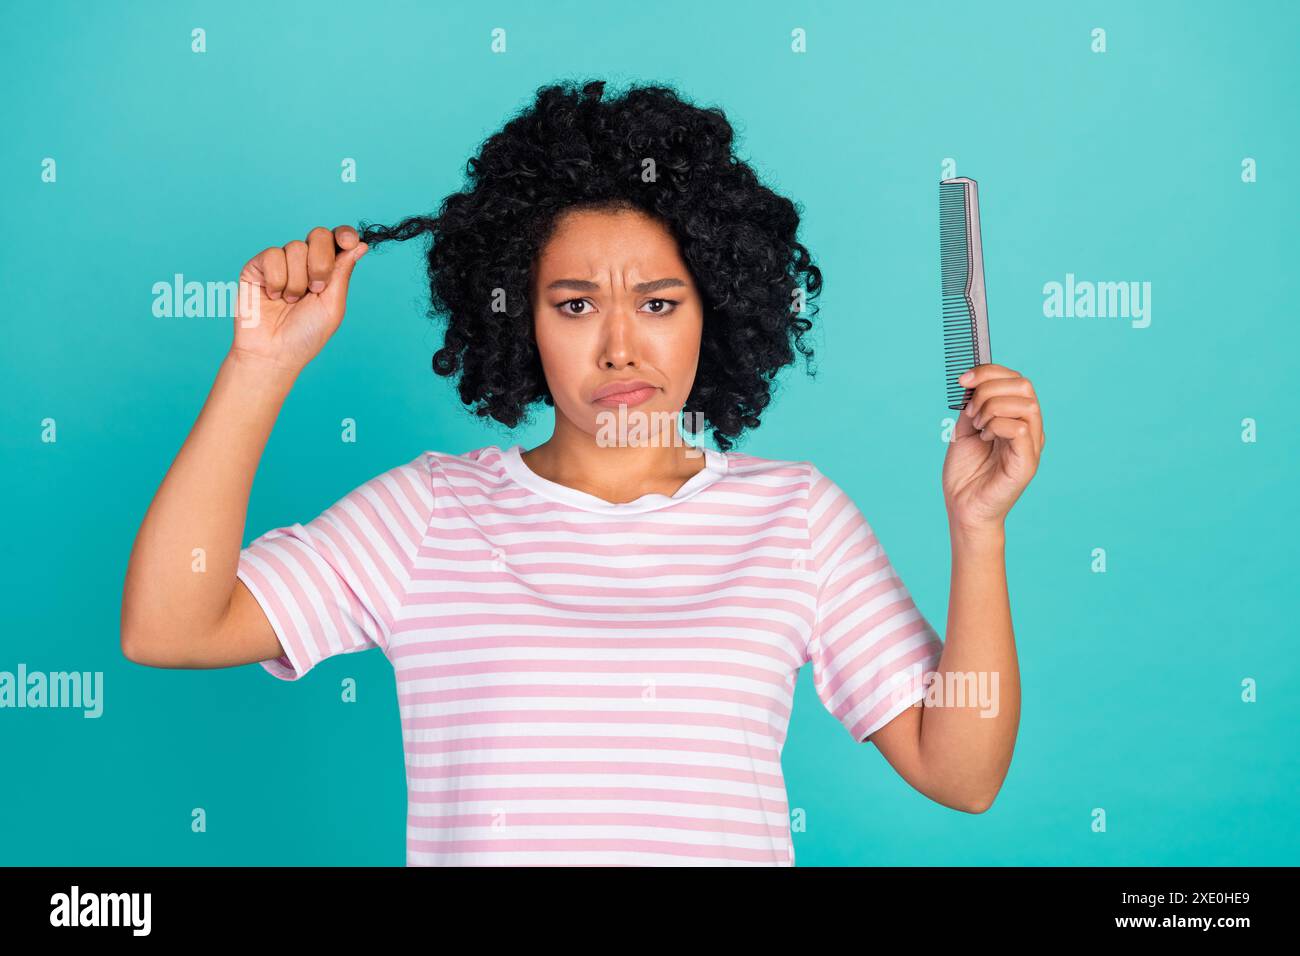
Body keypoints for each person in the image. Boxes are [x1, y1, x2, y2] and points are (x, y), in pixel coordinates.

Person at [120, 79, 1043, 866]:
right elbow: (168, 623)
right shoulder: (429, 513)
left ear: (712, 310)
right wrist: (261, 365)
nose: (618, 347)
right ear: (519, 319)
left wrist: (980, 529)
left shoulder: (795, 516)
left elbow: (960, 775)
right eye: (573, 304)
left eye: (656, 301)